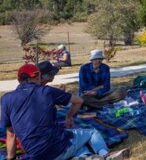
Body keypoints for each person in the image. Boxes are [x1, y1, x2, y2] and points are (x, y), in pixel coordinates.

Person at [0, 64, 129, 160]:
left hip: (35, 155)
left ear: (19, 80)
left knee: (76, 143)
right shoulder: (46, 91)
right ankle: (105, 155)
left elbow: (10, 134)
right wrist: (68, 116)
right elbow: (78, 101)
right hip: (56, 147)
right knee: (90, 133)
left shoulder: (6, 99)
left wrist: (10, 158)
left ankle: (85, 157)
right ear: (38, 77)